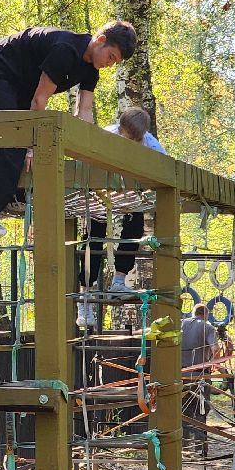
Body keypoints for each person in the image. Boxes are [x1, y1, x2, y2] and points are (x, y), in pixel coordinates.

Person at [0, 22, 138, 236]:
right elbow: (39, 100)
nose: (109, 65)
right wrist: (32, 146)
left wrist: (88, 154)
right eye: (111, 57)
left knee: (15, 140)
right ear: (100, 40)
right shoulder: (65, 50)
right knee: (12, 139)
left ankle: (1, 200)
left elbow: (84, 113)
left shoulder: (91, 69)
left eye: (115, 63)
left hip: (16, 87)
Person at [76, 106, 164, 327]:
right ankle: (85, 296)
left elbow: (165, 170)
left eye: (136, 139)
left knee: (134, 228)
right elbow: (84, 163)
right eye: (128, 137)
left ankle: (119, 282)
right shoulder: (105, 136)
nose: (131, 142)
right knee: (93, 236)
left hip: (130, 194)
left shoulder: (152, 145)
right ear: (120, 128)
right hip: (101, 191)